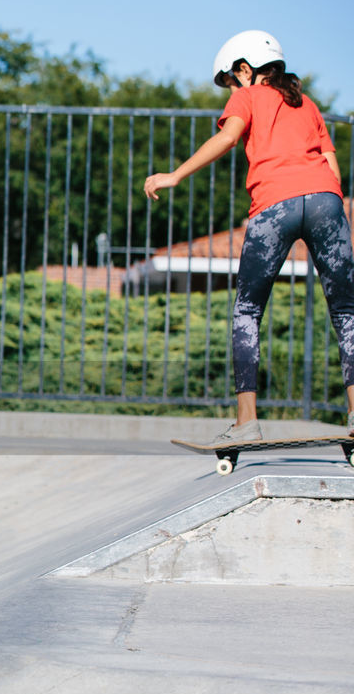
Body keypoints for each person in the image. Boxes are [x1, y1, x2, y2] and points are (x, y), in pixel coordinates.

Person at [144, 30, 354, 442]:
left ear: (246, 69)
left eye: (230, 81)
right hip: (327, 201)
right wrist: (323, 205)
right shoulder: (307, 104)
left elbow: (227, 136)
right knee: (346, 311)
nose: (231, 89)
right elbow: (333, 167)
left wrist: (175, 175)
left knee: (247, 312)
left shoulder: (249, 95)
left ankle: (246, 422)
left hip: (275, 204)